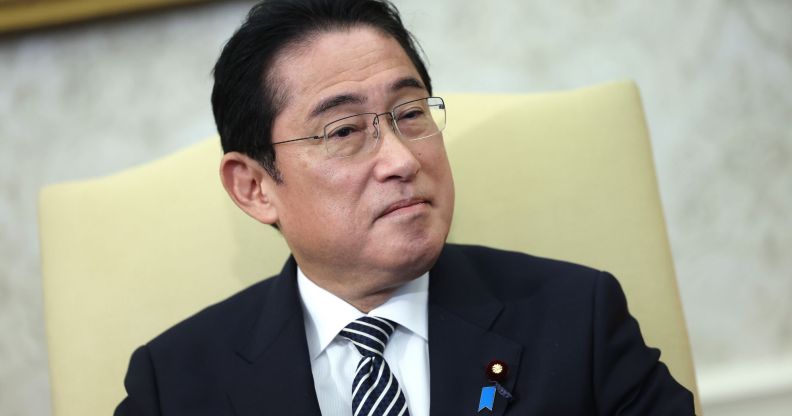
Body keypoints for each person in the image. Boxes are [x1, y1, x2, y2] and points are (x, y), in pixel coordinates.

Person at [115, 0, 695, 415]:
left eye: (411, 113)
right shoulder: (175, 384)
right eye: (343, 130)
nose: (399, 159)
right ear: (254, 187)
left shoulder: (577, 319)